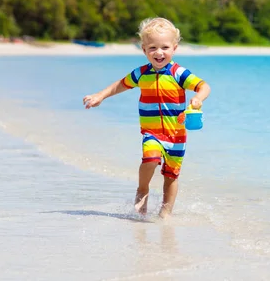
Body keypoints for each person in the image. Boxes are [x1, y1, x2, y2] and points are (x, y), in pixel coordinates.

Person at [82, 17, 211, 218]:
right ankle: (143, 188)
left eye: (165, 47)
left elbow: (204, 86)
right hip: (152, 132)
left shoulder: (179, 73)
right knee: (150, 158)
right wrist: (100, 96)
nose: (159, 53)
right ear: (144, 50)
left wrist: (198, 98)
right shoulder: (141, 74)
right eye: (152, 48)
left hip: (177, 134)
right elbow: (120, 84)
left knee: (171, 176)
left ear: (174, 48)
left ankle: (165, 214)